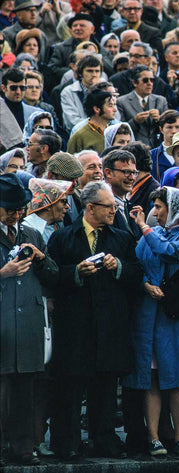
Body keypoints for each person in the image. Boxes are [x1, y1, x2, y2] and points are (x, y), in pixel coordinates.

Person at [47, 180, 142, 460]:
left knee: (105, 386)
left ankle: (105, 440)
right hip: (75, 327)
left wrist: (120, 267)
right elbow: (52, 276)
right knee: (72, 388)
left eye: (114, 205)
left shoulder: (122, 237)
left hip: (110, 325)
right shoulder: (63, 237)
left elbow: (137, 274)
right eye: (109, 206)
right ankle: (68, 443)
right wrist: (75, 272)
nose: (114, 210)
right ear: (90, 208)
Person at [125, 187, 179, 457]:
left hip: (177, 315)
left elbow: (169, 253)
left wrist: (144, 228)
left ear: (175, 209)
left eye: (160, 207)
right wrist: (145, 284)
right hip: (149, 313)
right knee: (153, 377)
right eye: (154, 207)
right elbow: (137, 265)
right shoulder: (153, 232)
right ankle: (154, 437)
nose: (155, 212)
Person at [0, 173, 58, 466]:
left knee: (26, 389)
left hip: (28, 323)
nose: (15, 215)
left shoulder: (31, 233)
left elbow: (53, 276)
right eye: (9, 209)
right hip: (3, 322)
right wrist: (3, 273)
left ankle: (23, 448)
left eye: (19, 210)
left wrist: (41, 259)